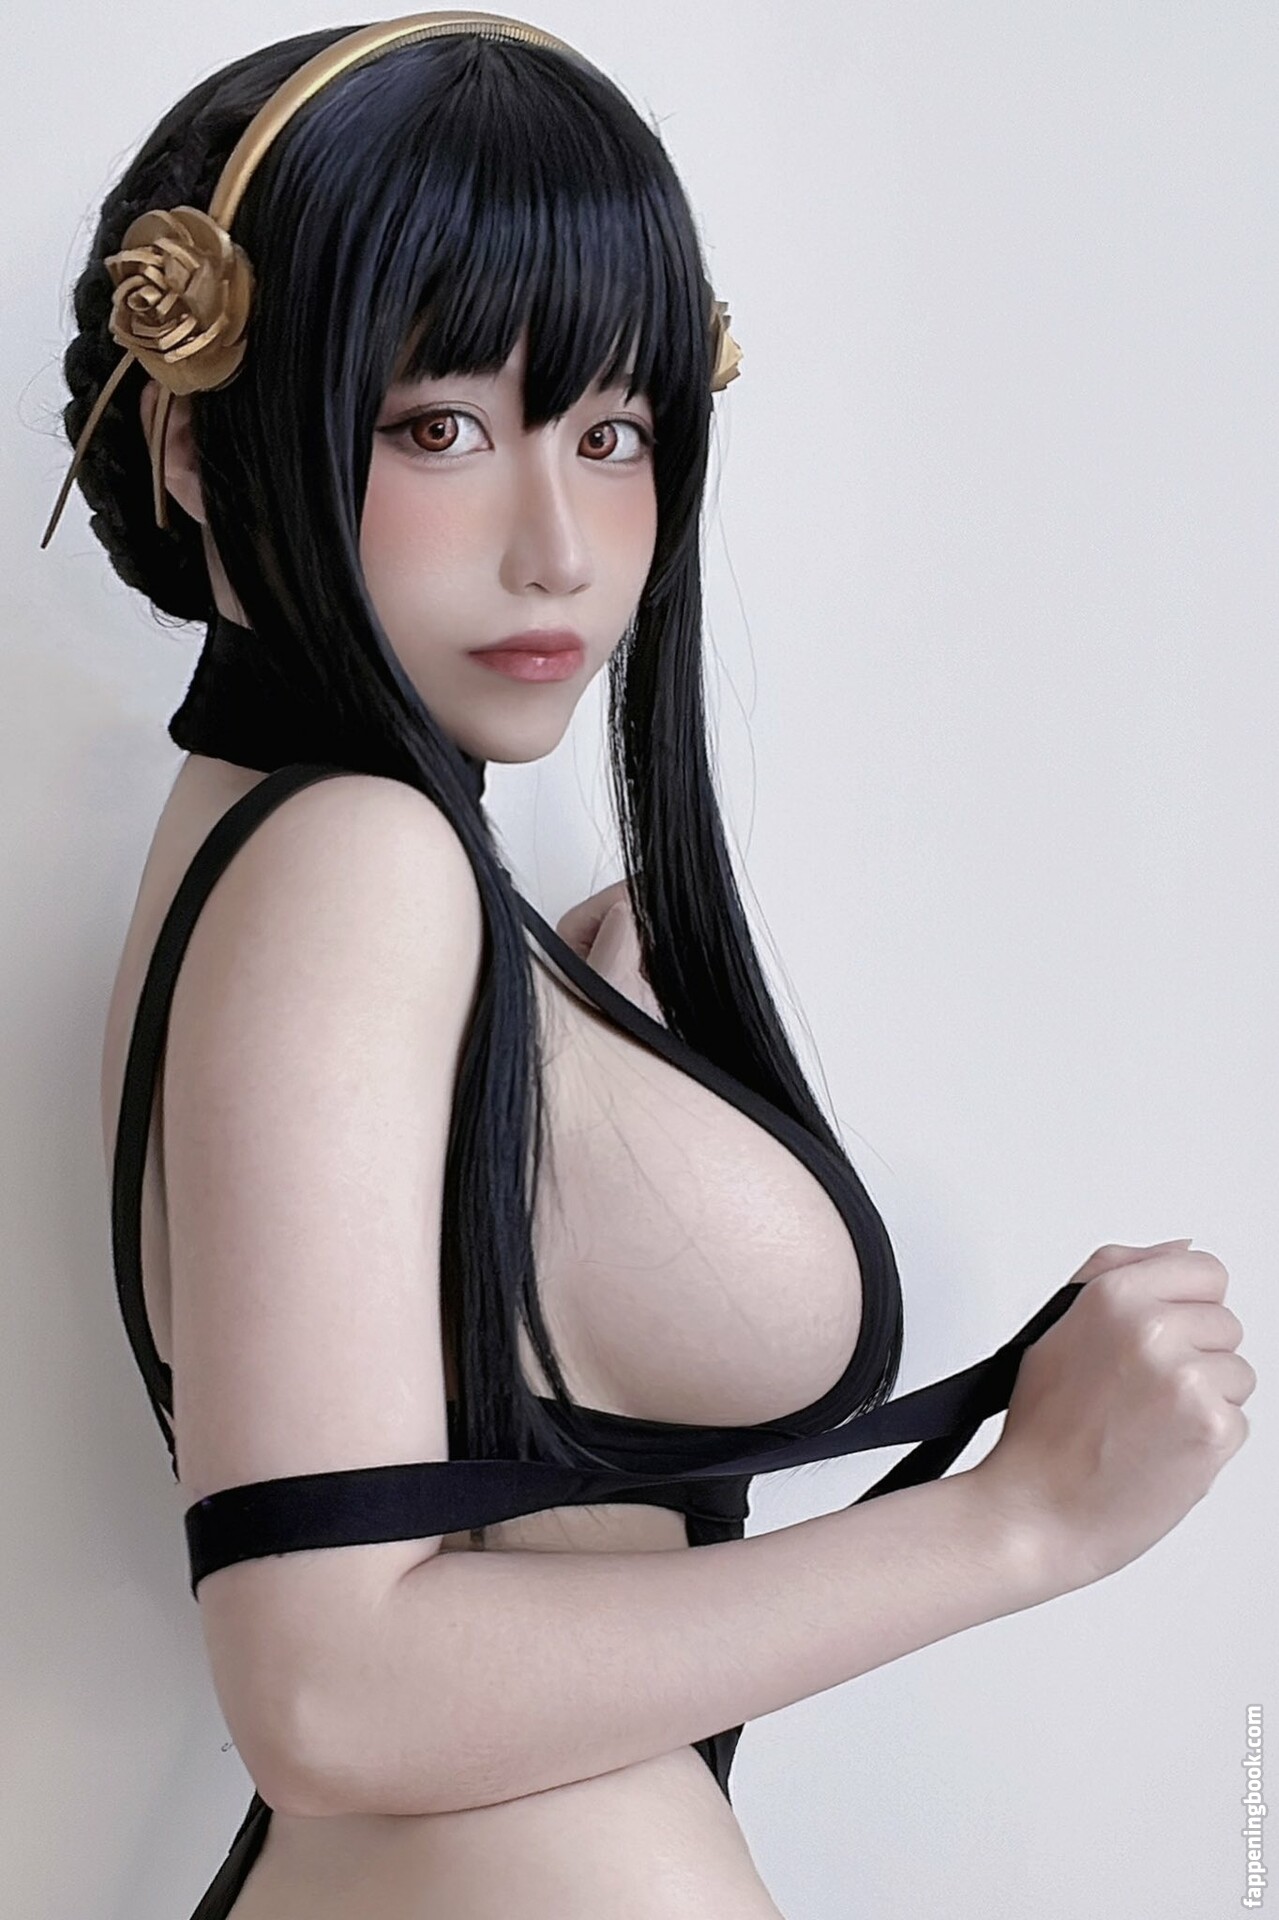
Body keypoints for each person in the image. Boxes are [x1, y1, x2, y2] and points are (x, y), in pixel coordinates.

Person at [45, 14, 1253, 1918]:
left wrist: (590, 1063)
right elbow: (326, 1688)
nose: (558, 548)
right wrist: (1020, 1521)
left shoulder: (323, 849)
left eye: (611, 434)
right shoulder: (353, 862)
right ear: (198, 444)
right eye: (439, 427)